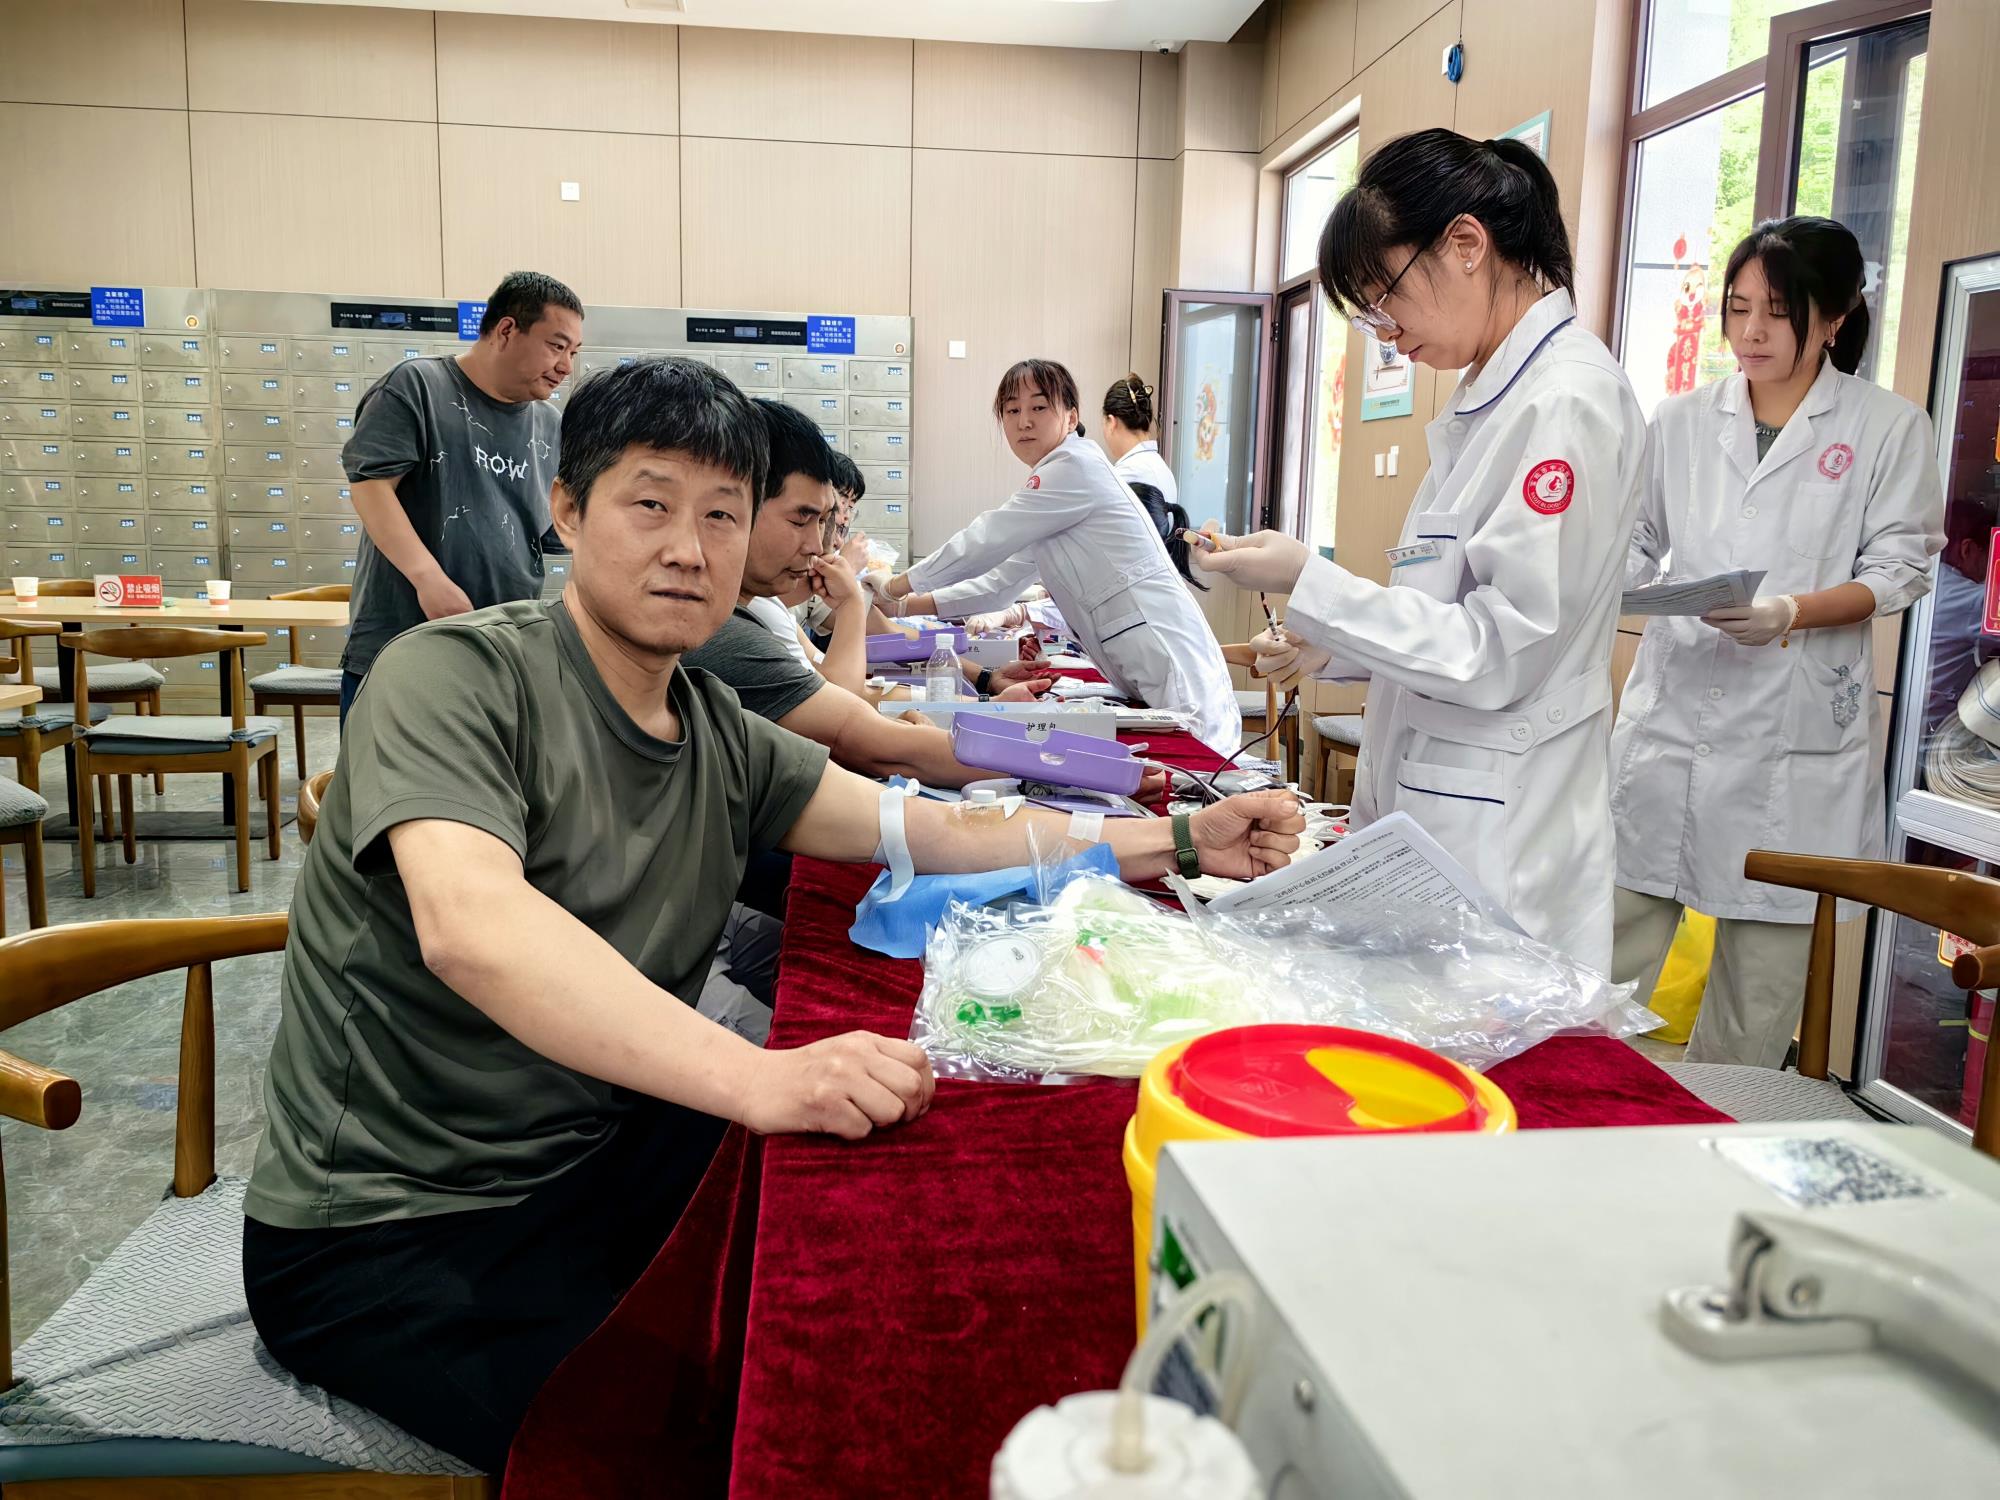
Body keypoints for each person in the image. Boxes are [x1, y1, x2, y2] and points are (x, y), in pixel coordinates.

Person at [242, 357, 1302, 1476]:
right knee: (685, 1446)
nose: (688, 548)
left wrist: (1182, 839)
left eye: (721, 514)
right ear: (568, 509)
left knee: (876, 1247)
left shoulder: (714, 727)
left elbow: (933, 828)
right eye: (649, 504)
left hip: (598, 1148)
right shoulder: (453, 676)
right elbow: (473, 928)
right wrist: (759, 1078)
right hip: (394, 1228)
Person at [1193, 128, 1648, 974]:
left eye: (1384, 298)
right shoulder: (1493, 398)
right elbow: (1445, 612)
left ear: (1466, 244)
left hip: (1504, 839)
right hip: (1445, 815)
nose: (1386, 333)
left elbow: (1498, 654)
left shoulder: (1565, 402)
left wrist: (1312, 581)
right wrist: (1325, 641)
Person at [1609, 216, 1945, 1066]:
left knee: (1754, 1006)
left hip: (1795, 745)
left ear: (1834, 317)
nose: (1751, 331)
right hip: (1671, 726)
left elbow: (1901, 569)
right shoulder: (1682, 419)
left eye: (1779, 311)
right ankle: (1572, 1120)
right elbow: (1636, 538)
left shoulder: (1886, 427)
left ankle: (1721, 1133)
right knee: (1602, 968)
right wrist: (1610, 581)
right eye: (1738, 308)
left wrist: (1789, 612)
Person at [685, 400, 1069, 783]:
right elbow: (852, 725)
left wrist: (984, 696)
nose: (819, 545)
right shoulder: (728, 632)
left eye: (828, 522)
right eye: (802, 520)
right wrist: (1062, 762)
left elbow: (842, 697)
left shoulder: (759, 608)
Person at [876, 359, 1241, 753]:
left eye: (1039, 407)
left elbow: (984, 540)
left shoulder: (1072, 467)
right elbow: (999, 584)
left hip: (1170, 658)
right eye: (1012, 410)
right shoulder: (1056, 485)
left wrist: (895, 585)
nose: (1024, 421)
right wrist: (901, 606)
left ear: (1071, 417)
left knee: (1197, 763)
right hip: (1147, 659)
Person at [338, 270, 584, 722]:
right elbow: (370, 487)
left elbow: (556, 532)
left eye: (573, 352)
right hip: (404, 641)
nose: (566, 366)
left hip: (502, 650)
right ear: (506, 330)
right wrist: (429, 581)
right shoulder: (418, 386)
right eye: (556, 346)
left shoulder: (549, 424)